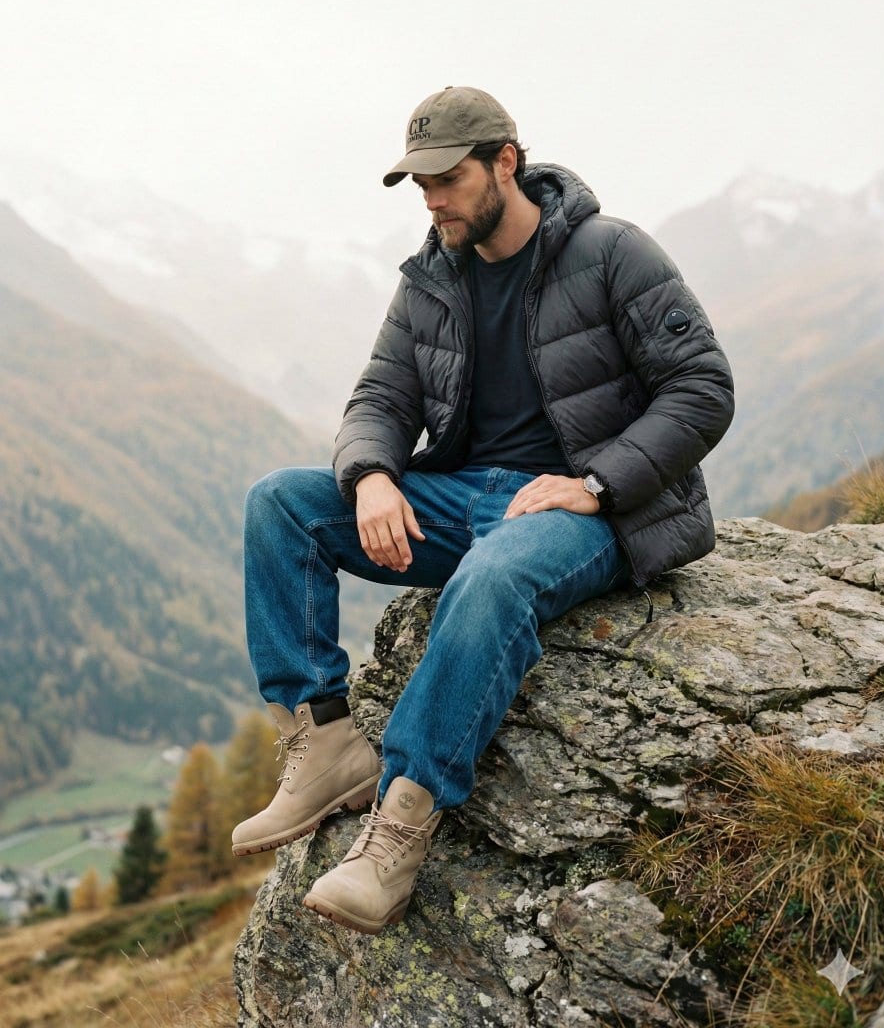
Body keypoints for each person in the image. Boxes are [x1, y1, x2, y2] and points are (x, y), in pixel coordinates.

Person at [231, 85, 735, 935]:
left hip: (587, 513)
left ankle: (401, 823)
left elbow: (702, 387)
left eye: (447, 178)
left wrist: (599, 484)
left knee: (493, 574)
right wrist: (372, 477)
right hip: (464, 495)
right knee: (280, 504)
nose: (431, 199)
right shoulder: (432, 275)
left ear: (507, 162)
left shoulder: (613, 253)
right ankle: (324, 743)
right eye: (417, 183)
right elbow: (379, 396)